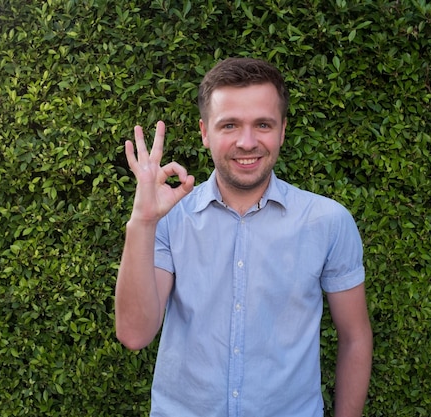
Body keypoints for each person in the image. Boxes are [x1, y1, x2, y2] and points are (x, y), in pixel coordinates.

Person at [115, 57, 372, 417]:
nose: (247, 142)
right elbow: (134, 334)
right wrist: (142, 222)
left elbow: (355, 338)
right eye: (230, 125)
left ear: (282, 130)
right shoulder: (170, 219)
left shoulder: (328, 222)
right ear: (205, 133)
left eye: (262, 124)